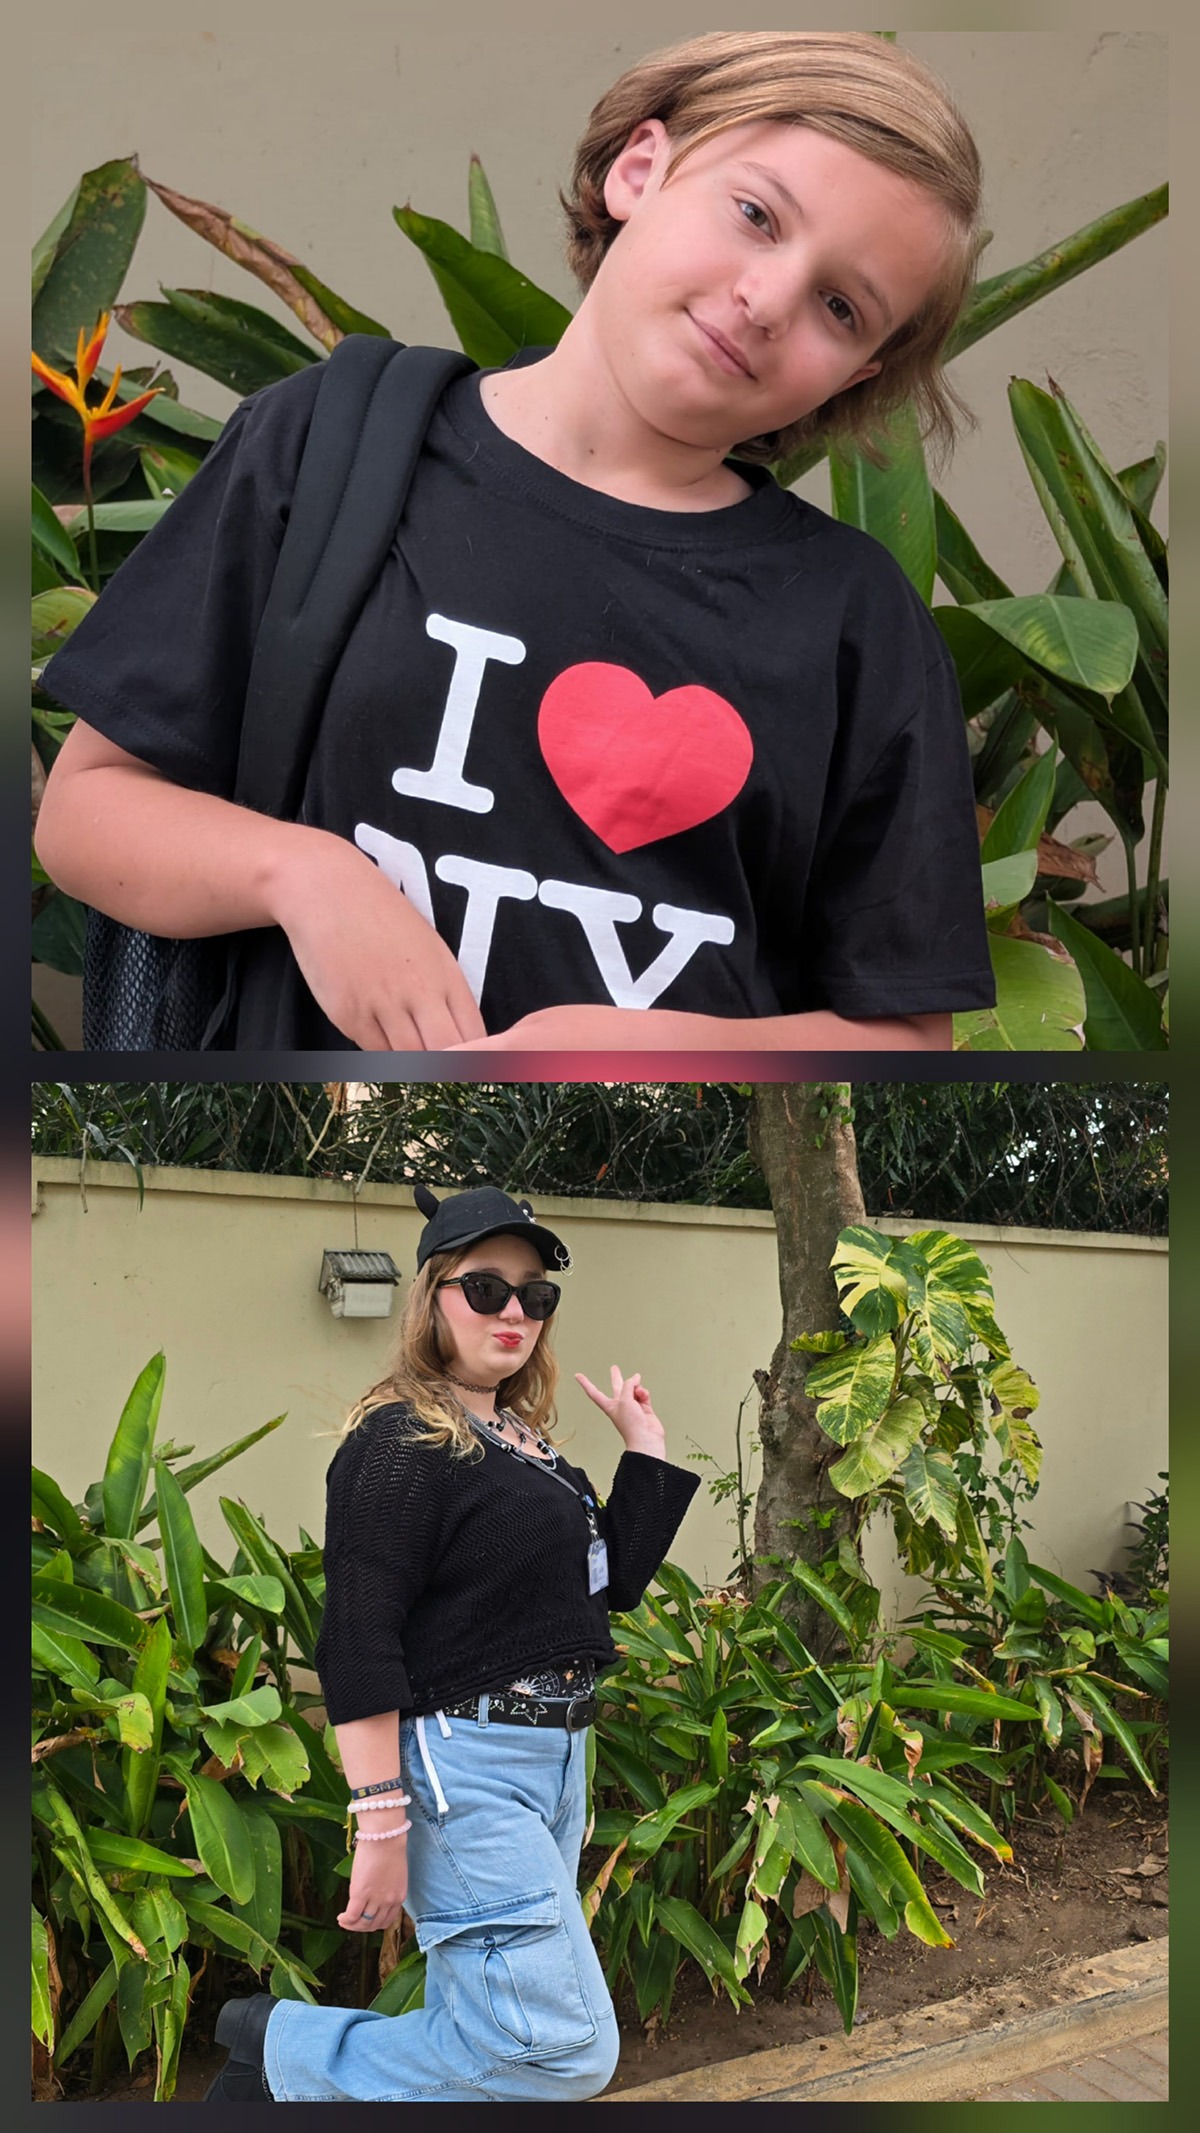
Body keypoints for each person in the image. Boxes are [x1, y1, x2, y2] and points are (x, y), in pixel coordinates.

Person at [37, 30, 995, 1054]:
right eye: (757, 214)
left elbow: (908, 1038)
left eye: (841, 308)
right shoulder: (330, 443)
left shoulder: (853, 617)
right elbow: (85, 815)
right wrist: (307, 879)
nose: (766, 301)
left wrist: (643, 1052)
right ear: (640, 168)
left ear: (853, 377)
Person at [204, 1185, 700, 2103]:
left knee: (496, 2027)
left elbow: (608, 1588)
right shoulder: (401, 1439)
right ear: (434, 1295)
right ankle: (286, 2058)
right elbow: (357, 1635)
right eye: (486, 1288)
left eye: (536, 1295)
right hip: (461, 1761)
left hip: (554, 1759)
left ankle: (272, 2055)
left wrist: (648, 1449)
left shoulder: (525, 1443)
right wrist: (381, 1819)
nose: (515, 1310)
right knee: (562, 2049)